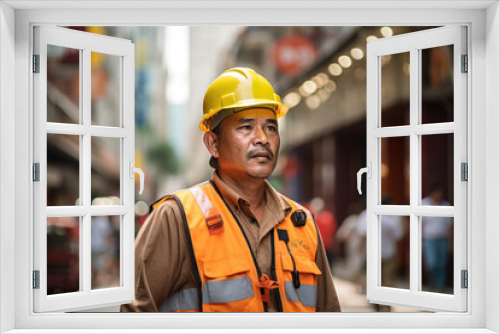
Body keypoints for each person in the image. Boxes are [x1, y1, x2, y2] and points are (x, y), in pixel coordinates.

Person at [121, 68, 341, 312]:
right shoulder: (177, 218)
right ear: (213, 143)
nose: (262, 139)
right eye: (246, 127)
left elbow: (329, 316)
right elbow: (134, 317)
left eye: (270, 128)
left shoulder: (301, 222)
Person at [422, 182, 453, 292]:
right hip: (429, 239)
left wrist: (451, 243)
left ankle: (440, 286)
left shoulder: (446, 205)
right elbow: (419, 224)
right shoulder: (423, 204)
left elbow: (449, 226)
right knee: (431, 264)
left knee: (442, 264)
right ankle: (432, 283)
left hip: (442, 238)